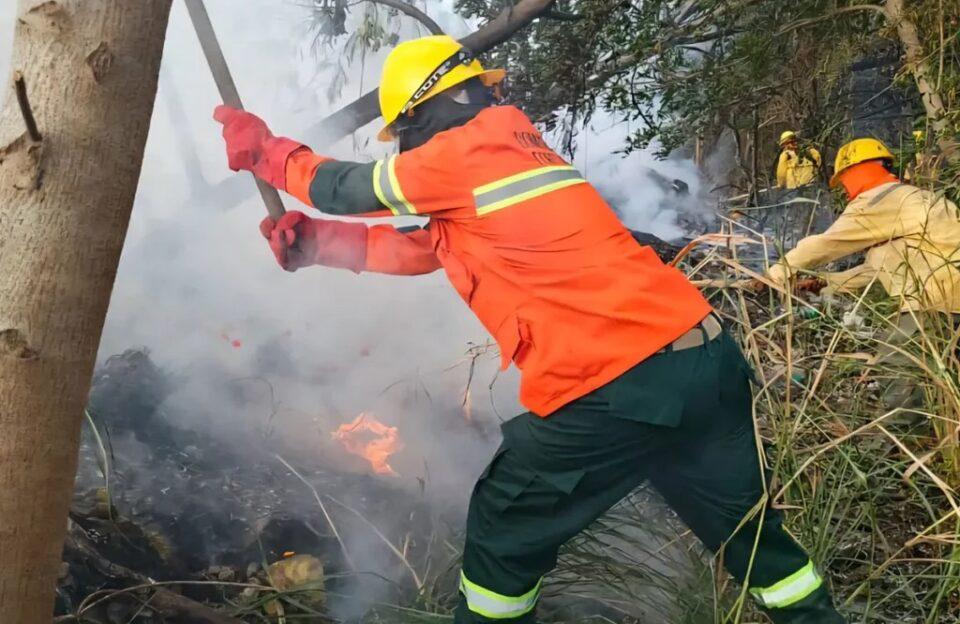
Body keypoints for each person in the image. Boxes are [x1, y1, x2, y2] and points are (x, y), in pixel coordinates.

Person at [214, 35, 843, 623]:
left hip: (621, 384)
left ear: (422, 113)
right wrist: (317, 244)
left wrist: (266, 151)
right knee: (756, 543)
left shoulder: (467, 149)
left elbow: (341, 185)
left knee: (504, 527)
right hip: (703, 363)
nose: (404, 147)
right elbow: (419, 250)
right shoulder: (508, 155)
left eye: (403, 131)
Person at [766, 138, 960, 406]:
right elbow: (875, 270)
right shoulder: (914, 198)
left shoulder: (878, 200)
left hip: (933, 300)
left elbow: (825, 244)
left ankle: (900, 439)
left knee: (900, 368)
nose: (845, 188)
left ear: (854, 171)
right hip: (949, 299)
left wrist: (776, 273)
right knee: (943, 377)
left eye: (844, 179)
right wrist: (823, 283)